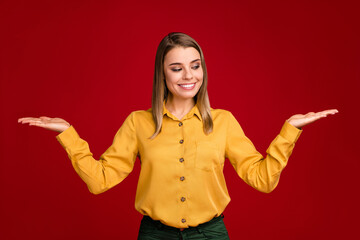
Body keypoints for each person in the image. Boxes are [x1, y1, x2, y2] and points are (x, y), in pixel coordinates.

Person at [18, 32, 338, 240]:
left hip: (211, 234)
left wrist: (290, 132)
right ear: (162, 72)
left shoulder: (223, 122)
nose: (189, 76)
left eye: (195, 65)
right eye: (177, 68)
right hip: (155, 235)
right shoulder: (138, 124)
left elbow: (262, 179)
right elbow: (100, 180)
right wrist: (68, 135)